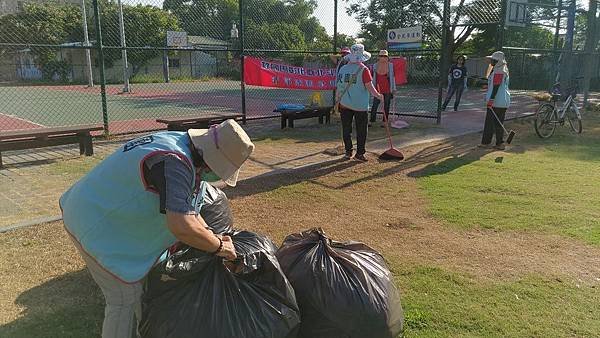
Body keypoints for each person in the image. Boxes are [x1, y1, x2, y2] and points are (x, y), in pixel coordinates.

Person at [59, 119, 255, 338]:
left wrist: (212, 235)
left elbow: (190, 210)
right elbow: (181, 225)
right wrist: (218, 247)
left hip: (102, 210)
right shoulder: (175, 163)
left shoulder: (183, 147)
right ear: (211, 162)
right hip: (92, 220)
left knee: (138, 289)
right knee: (123, 297)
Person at [336, 43, 384, 162]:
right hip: (360, 105)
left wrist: (337, 101)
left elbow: (339, 87)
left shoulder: (342, 69)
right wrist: (379, 96)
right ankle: (360, 153)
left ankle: (348, 151)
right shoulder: (364, 70)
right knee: (361, 129)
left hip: (344, 104)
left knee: (346, 129)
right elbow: (370, 87)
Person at [479, 51, 510, 150]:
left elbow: (496, 87)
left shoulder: (498, 71)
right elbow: (496, 85)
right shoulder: (502, 70)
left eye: (493, 60)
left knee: (490, 122)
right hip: (502, 101)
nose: (491, 61)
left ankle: (487, 142)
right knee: (498, 123)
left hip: (496, 101)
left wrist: (491, 100)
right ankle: (499, 143)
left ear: (498, 61)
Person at [369, 49, 396, 127]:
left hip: (387, 89)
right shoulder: (375, 66)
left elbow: (393, 77)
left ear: (387, 57)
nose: (383, 58)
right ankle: (371, 120)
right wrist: (372, 88)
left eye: (385, 56)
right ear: (378, 57)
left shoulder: (390, 65)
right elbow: (373, 78)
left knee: (386, 105)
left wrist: (394, 88)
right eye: (381, 56)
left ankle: (385, 121)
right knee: (375, 105)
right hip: (377, 89)